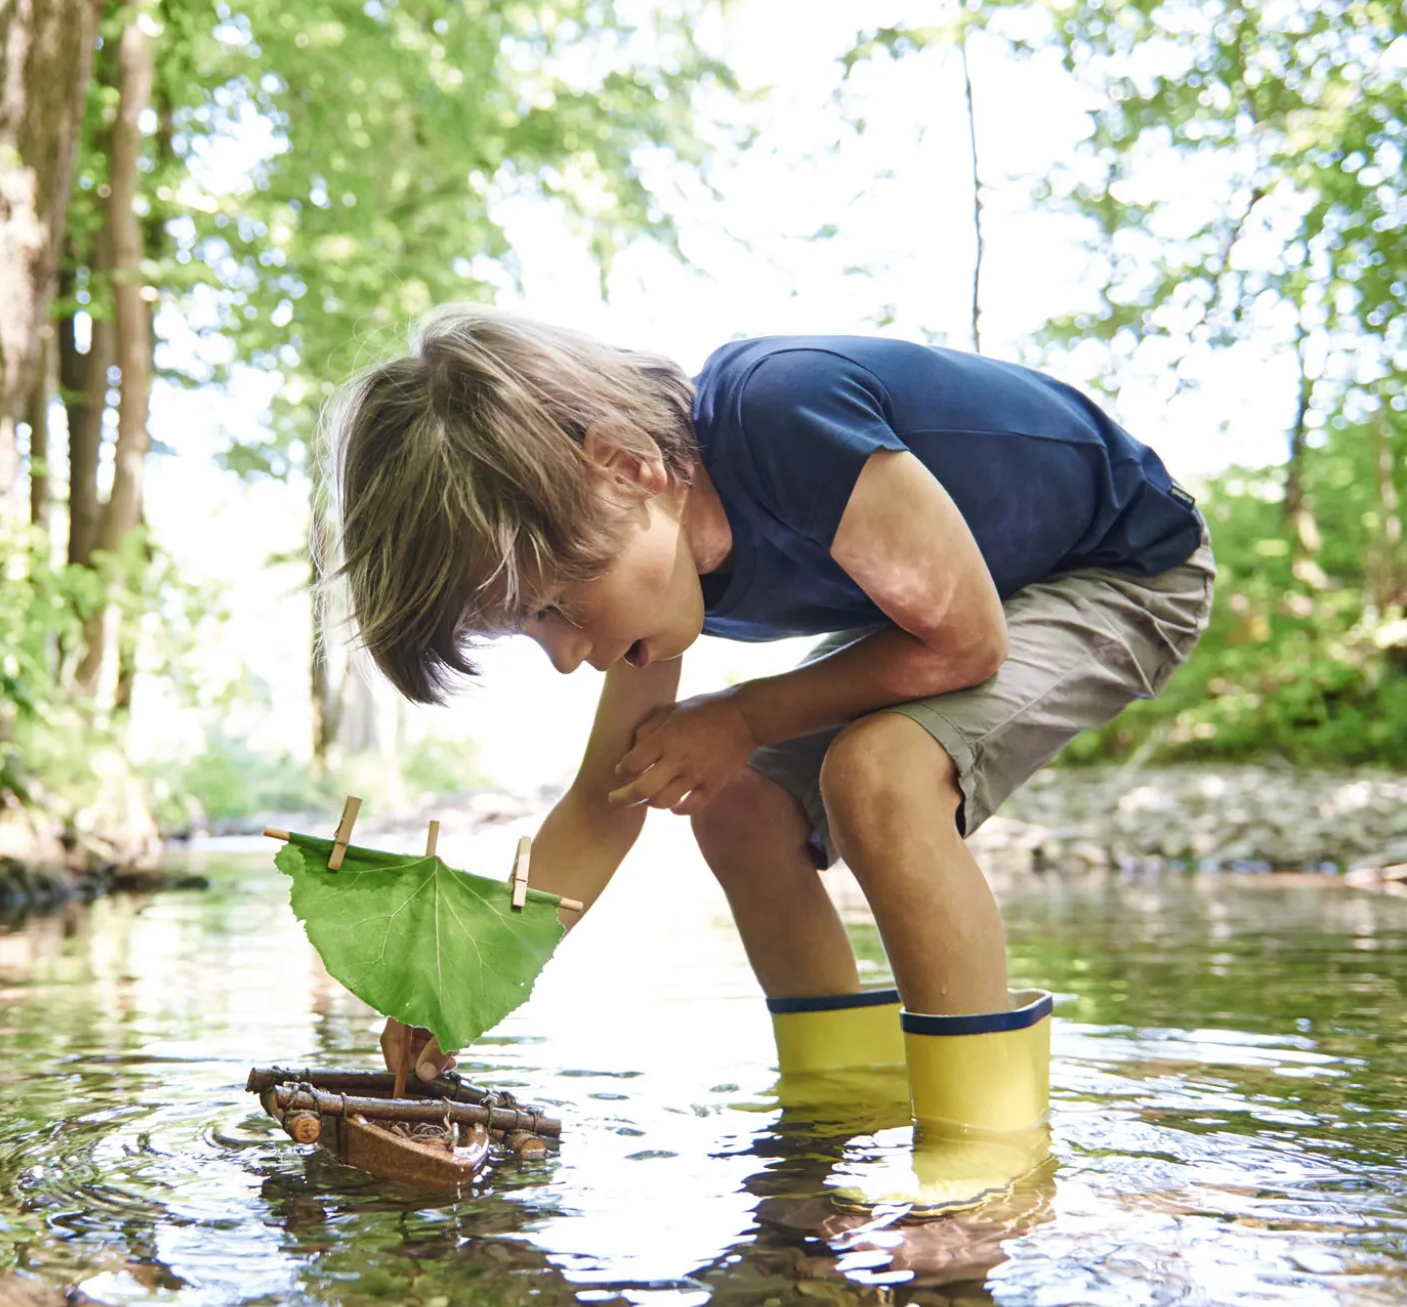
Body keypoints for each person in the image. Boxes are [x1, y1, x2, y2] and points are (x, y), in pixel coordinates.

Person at [334, 305, 1214, 1213]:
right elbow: (607, 802)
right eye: (528, 631)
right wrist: (464, 975)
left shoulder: (783, 411)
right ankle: (844, 1108)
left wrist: (744, 715)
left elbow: (964, 645)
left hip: (1121, 572)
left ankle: (987, 1158)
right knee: (738, 801)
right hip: (950, 610)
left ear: (627, 466)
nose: (563, 655)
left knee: (878, 772)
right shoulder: (664, 548)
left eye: (556, 602)